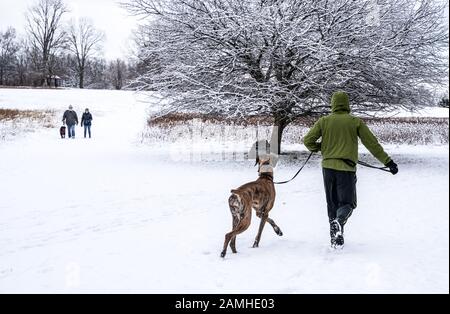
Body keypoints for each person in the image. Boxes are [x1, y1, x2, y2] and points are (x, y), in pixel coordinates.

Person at [303, 91, 398, 249]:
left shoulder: (324, 121)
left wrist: (321, 147)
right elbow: (372, 144)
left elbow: (308, 141)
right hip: (346, 169)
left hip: (327, 169)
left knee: (332, 204)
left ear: (333, 104)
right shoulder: (355, 122)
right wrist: (388, 161)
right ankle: (339, 224)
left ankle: (335, 239)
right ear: (347, 104)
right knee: (348, 203)